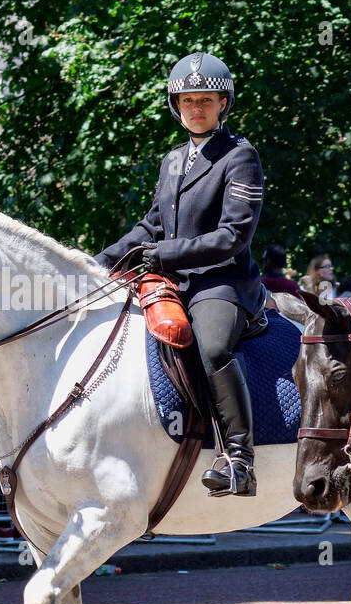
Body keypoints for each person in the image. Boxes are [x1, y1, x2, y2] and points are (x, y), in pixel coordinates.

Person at [96, 52, 265, 497]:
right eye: (187, 100)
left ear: (223, 104)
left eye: (205, 100)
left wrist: (164, 255)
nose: (196, 108)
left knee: (212, 348)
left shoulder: (240, 156)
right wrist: (98, 263)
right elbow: (150, 226)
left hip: (221, 282)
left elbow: (233, 236)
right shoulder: (172, 160)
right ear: (176, 106)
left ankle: (238, 459)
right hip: (173, 280)